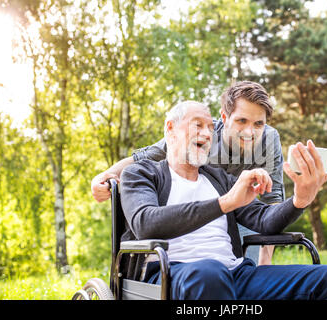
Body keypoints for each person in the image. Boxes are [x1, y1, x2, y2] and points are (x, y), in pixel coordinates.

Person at [119, 100, 327, 300]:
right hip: (171, 276)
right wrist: (224, 203)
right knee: (210, 273)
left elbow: (265, 220)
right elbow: (145, 223)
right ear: (170, 129)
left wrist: (300, 199)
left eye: (211, 128)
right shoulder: (141, 173)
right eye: (198, 125)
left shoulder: (221, 180)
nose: (206, 133)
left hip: (235, 275)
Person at [91, 81, 286, 265]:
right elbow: (145, 156)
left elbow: (272, 200)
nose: (249, 132)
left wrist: (265, 262)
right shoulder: (201, 135)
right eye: (242, 121)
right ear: (225, 118)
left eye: (258, 124)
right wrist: (104, 175)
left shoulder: (269, 139)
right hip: (197, 212)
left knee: (248, 268)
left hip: (242, 212)